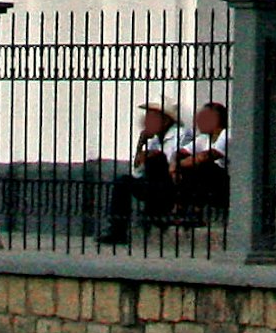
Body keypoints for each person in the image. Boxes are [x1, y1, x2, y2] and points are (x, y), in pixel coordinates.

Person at [97, 101, 179, 245]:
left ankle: (159, 215)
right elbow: (137, 170)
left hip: (172, 186)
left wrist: (149, 155)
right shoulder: (153, 139)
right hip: (152, 184)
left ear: (165, 120)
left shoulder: (178, 135)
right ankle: (118, 230)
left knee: (157, 160)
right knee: (123, 181)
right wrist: (141, 143)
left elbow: (170, 163)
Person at [176, 100, 233, 226]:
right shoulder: (204, 138)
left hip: (226, 185)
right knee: (191, 165)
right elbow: (180, 152)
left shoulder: (227, 135)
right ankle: (180, 209)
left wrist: (180, 164)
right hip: (207, 182)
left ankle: (196, 211)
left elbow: (208, 155)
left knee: (204, 166)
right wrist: (174, 164)